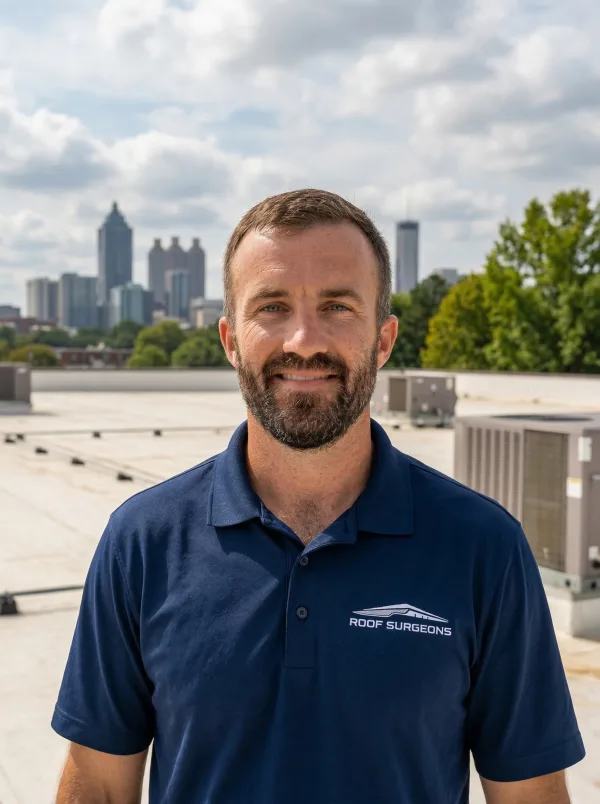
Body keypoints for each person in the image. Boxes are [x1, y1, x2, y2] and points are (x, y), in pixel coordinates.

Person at [52, 189, 585, 804]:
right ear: (229, 339)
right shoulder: (142, 541)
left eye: (337, 306)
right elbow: (97, 785)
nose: (303, 339)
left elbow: (531, 794)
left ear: (383, 340)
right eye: (272, 307)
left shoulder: (483, 547)